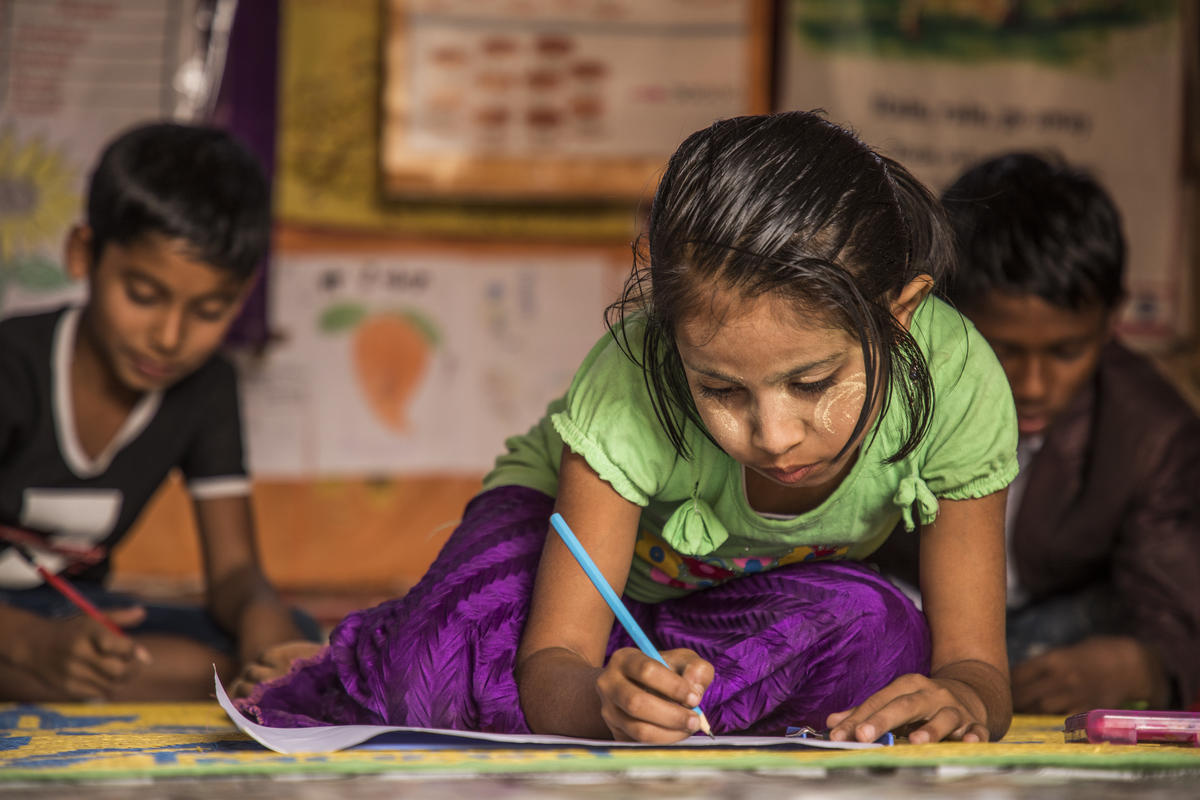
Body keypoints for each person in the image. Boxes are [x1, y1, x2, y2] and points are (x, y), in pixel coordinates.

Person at [238, 110, 1018, 744]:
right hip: (559, 576)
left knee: (887, 641)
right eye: (719, 388)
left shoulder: (955, 385)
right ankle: (360, 659)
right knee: (432, 669)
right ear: (667, 337)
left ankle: (641, 692)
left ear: (900, 316)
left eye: (812, 383)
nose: (773, 435)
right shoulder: (626, 382)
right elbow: (558, 655)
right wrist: (598, 706)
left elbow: (976, 668)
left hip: (720, 618)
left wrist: (964, 700)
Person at [870, 152, 1200, 713]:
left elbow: (1178, 608)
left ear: (1110, 322)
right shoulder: (879, 389)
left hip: (1044, 643)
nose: (1032, 384)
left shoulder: (1152, 433)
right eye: (1003, 350)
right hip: (910, 617)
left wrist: (1143, 667)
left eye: (1067, 351)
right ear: (939, 313)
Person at [0, 121, 318, 702]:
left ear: (243, 296)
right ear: (83, 254)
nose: (169, 337)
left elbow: (232, 572)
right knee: (198, 672)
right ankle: (39, 671)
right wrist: (28, 644)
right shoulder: (13, 367)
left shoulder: (207, 386)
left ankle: (55, 677)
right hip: (17, 625)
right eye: (143, 296)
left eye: (209, 309)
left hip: (85, 616)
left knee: (291, 638)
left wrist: (262, 625)